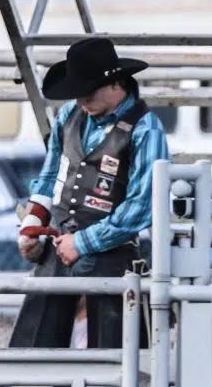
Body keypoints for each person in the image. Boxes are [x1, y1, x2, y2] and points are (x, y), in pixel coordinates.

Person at [9, 36, 170, 348]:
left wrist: (83, 242)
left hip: (111, 253)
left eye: (88, 90)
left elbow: (142, 204)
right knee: (32, 344)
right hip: (59, 243)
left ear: (115, 84)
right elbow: (50, 175)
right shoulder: (69, 116)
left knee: (113, 352)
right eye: (77, 91)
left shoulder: (145, 129)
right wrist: (32, 224)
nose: (82, 99)